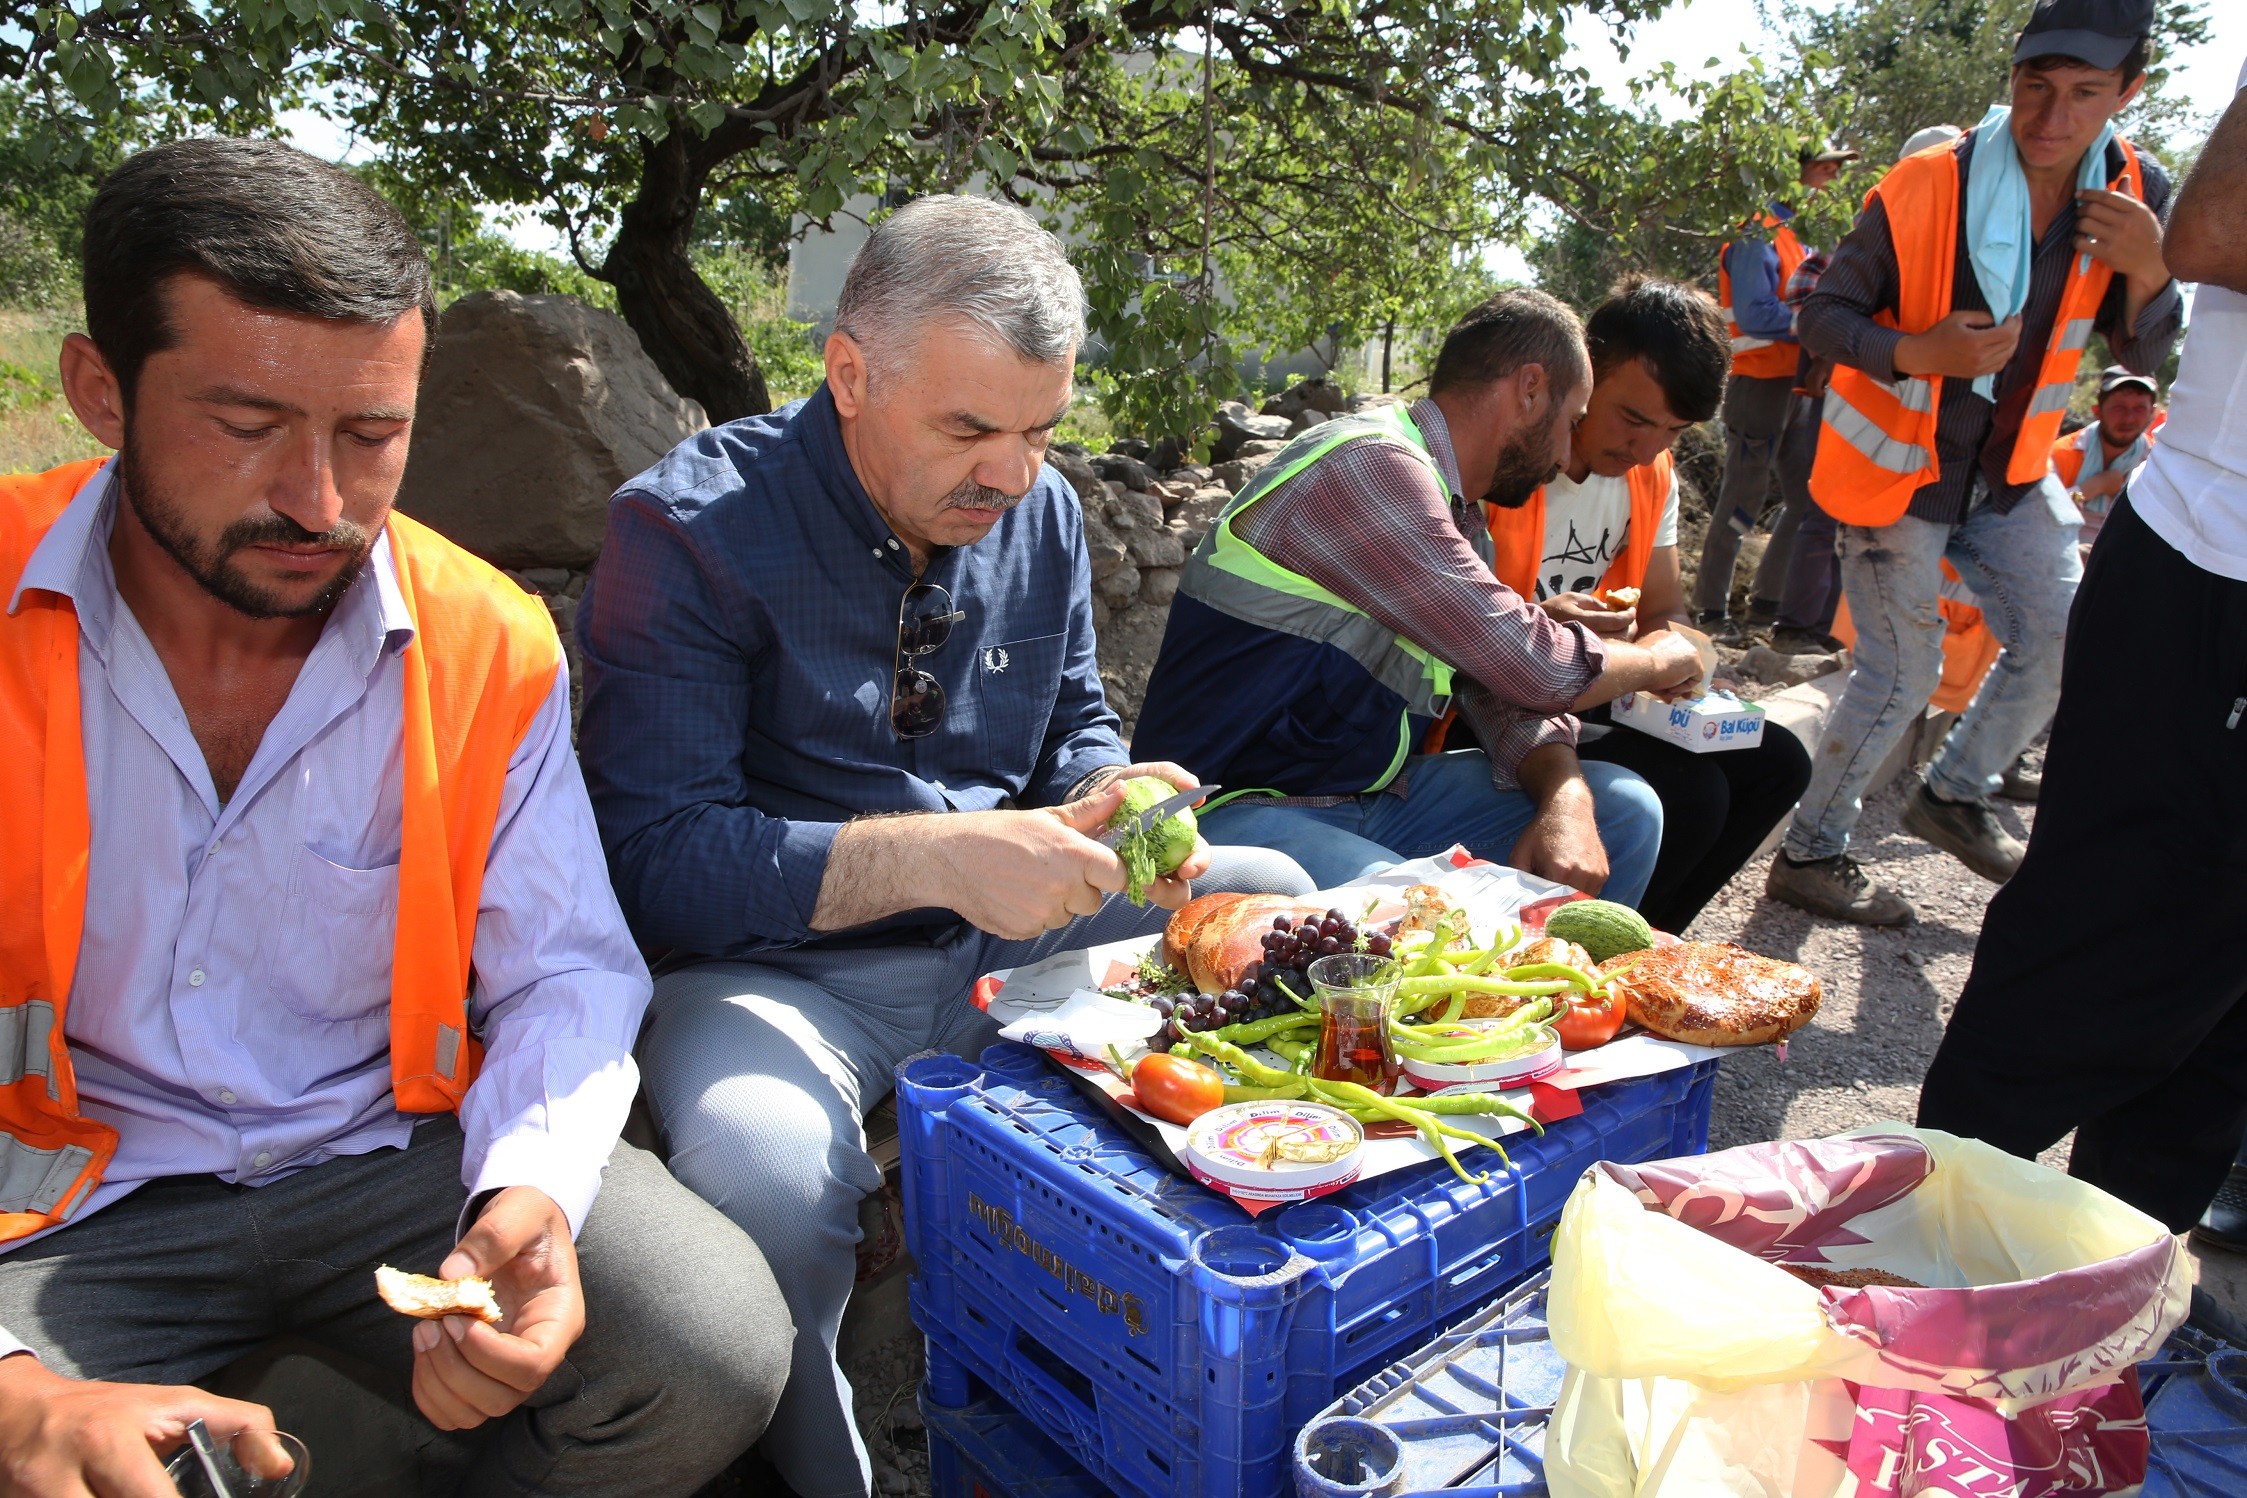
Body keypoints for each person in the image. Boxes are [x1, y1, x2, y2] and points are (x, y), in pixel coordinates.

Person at [0, 139, 791, 1497]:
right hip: (59, 1204)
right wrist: (17, 1403)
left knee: (708, 1347)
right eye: (246, 426)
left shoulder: (486, 640)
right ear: (99, 391)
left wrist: (526, 1198)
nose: (320, 501)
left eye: (373, 435)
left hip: (390, 1164)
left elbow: (563, 971)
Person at [572, 195, 1312, 1498]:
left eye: (1038, 428)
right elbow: (660, 861)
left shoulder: (1039, 512)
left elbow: (1074, 717)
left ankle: (1169, 1369)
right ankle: (825, 1471)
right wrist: (935, 854)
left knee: (1272, 903)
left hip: (1001, 943)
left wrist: (1112, 791)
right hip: (771, 977)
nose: (1010, 473)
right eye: (968, 429)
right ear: (847, 372)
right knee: (762, 1161)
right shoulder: (684, 534)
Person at [1917, 55, 2247, 1243]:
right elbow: (2210, 234)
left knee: (2217, 1007)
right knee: (2100, 945)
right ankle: (1920, 1262)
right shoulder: (1953, 188)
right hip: (2216, 570)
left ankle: (2091, 1309)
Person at [1765, 0, 2180, 926]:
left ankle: (1951, 791)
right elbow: (1821, 315)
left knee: (2071, 629)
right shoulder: (1926, 182)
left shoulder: (2133, 191)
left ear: (2128, 91)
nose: (2050, 118)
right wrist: (1917, 354)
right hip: (1898, 471)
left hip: (2009, 473)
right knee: (1900, 671)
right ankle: (1809, 853)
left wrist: (2152, 270)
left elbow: (2144, 353)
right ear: (2011, 78)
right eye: (2035, 87)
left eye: (2082, 94)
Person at [1132, 289, 1707, 898]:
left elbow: (1503, 690)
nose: (1568, 455)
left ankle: (1571, 992)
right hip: (1231, 812)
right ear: (1529, 389)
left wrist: (1565, 800)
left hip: (1369, 798)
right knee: (1411, 917)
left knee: (1623, 813)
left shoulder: (1459, 516)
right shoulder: (1371, 467)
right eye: (1571, 423)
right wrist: (1658, 659)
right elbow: (1536, 666)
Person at [1482, 280, 1812, 933]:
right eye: (1632, 419)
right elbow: (1480, 646)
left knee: (1777, 762)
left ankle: (1644, 944)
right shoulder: (1505, 463)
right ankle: (1597, 950)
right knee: (1692, 794)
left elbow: (1664, 608)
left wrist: (1668, 657)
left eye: (1673, 431)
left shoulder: (1649, 472)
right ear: (1580, 376)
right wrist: (1578, 637)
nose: (1647, 449)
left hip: (1590, 685)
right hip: (1495, 702)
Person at [1771, 126, 1968, 657]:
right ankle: (1797, 627)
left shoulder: (1957, 246)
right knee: (1826, 510)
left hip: (1908, 415)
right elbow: (1814, 300)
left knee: (1871, 523)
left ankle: (1834, 635)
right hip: (1857, 405)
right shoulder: (1882, 235)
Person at [1691, 141, 1860, 640]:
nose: (1831, 178)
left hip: (1798, 389)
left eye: (1835, 169)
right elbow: (1757, 314)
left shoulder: (1802, 241)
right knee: (1742, 499)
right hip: (1759, 383)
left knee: (1807, 501)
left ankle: (1767, 606)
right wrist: (1821, 323)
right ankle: (1709, 613)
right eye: (1823, 168)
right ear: (1795, 172)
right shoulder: (1755, 235)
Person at [2052, 364, 2159, 552]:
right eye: (2119, 408)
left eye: (2139, 409)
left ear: (2153, 413)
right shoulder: (2061, 453)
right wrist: (2088, 489)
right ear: (2097, 410)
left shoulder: (2156, 465)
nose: (2128, 419)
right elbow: (2037, 518)